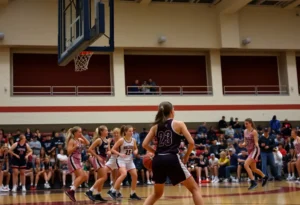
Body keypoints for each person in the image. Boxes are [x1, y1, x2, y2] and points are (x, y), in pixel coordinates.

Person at [142, 101, 204, 205]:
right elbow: (191, 143)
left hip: (158, 160)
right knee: (194, 189)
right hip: (171, 158)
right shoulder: (179, 124)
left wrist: (155, 152)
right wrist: (186, 156)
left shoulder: (155, 127)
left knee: (157, 194)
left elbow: (144, 144)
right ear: (172, 111)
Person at [109, 125, 141, 200]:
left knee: (135, 175)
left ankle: (133, 193)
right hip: (121, 160)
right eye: (130, 131)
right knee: (124, 174)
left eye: (132, 131)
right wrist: (120, 154)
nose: (131, 132)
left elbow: (136, 149)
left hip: (129, 160)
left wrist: (136, 152)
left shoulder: (133, 140)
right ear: (125, 132)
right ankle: (113, 191)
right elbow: (112, 149)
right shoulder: (121, 140)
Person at [65, 126, 90, 202]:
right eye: (79, 132)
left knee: (85, 176)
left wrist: (82, 136)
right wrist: (75, 147)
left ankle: (72, 188)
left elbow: (88, 143)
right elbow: (68, 152)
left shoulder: (79, 139)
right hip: (73, 159)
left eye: (81, 132)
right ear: (75, 133)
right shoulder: (71, 141)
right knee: (82, 175)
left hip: (78, 160)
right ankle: (71, 190)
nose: (80, 133)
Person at [85, 125, 109, 202]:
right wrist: (97, 156)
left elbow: (107, 151)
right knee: (104, 177)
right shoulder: (99, 140)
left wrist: (110, 152)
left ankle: (98, 194)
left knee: (100, 178)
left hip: (103, 160)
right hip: (98, 159)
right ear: (101, 132)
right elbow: (90, 149)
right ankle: (90, 191)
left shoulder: (106, 140)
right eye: (106, 130)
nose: (107, 132)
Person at [243, 118, 268, 190]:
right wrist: (242, 144)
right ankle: (264, 177)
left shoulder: (254, 132)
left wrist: (257, 146)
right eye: (245, 124)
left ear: (250, 123)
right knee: (253, 168)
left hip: (255, 150)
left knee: (246, 164)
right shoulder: (245, 131)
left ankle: (253, 182)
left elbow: (256, 142)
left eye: (247, 123)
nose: (245, 125)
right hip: (250, 150)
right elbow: (245, 142)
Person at [106, 128, 122, 195]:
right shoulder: (111, 140)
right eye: (114, 133)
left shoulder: (121, 140)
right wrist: (109, 143)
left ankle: (116, 191)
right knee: (113, 176)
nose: (115, 134)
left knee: (118, 176)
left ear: (120, 133)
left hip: (119, 159)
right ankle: (114, 190)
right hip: (112, 158)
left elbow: (118, 151)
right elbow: (109, 151)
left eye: (117, 133)